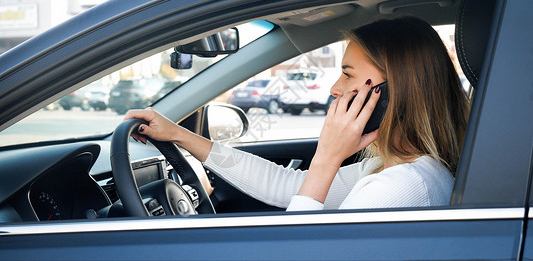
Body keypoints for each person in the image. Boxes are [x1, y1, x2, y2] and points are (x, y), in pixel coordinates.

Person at [124, 16, 470, 211]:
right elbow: (287, 187)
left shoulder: (399, 188)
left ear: (390, 92)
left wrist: (327, 158)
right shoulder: (392, 168)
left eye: (348, 73)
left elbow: (297, 251)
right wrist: (179, 135)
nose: (335, 87)